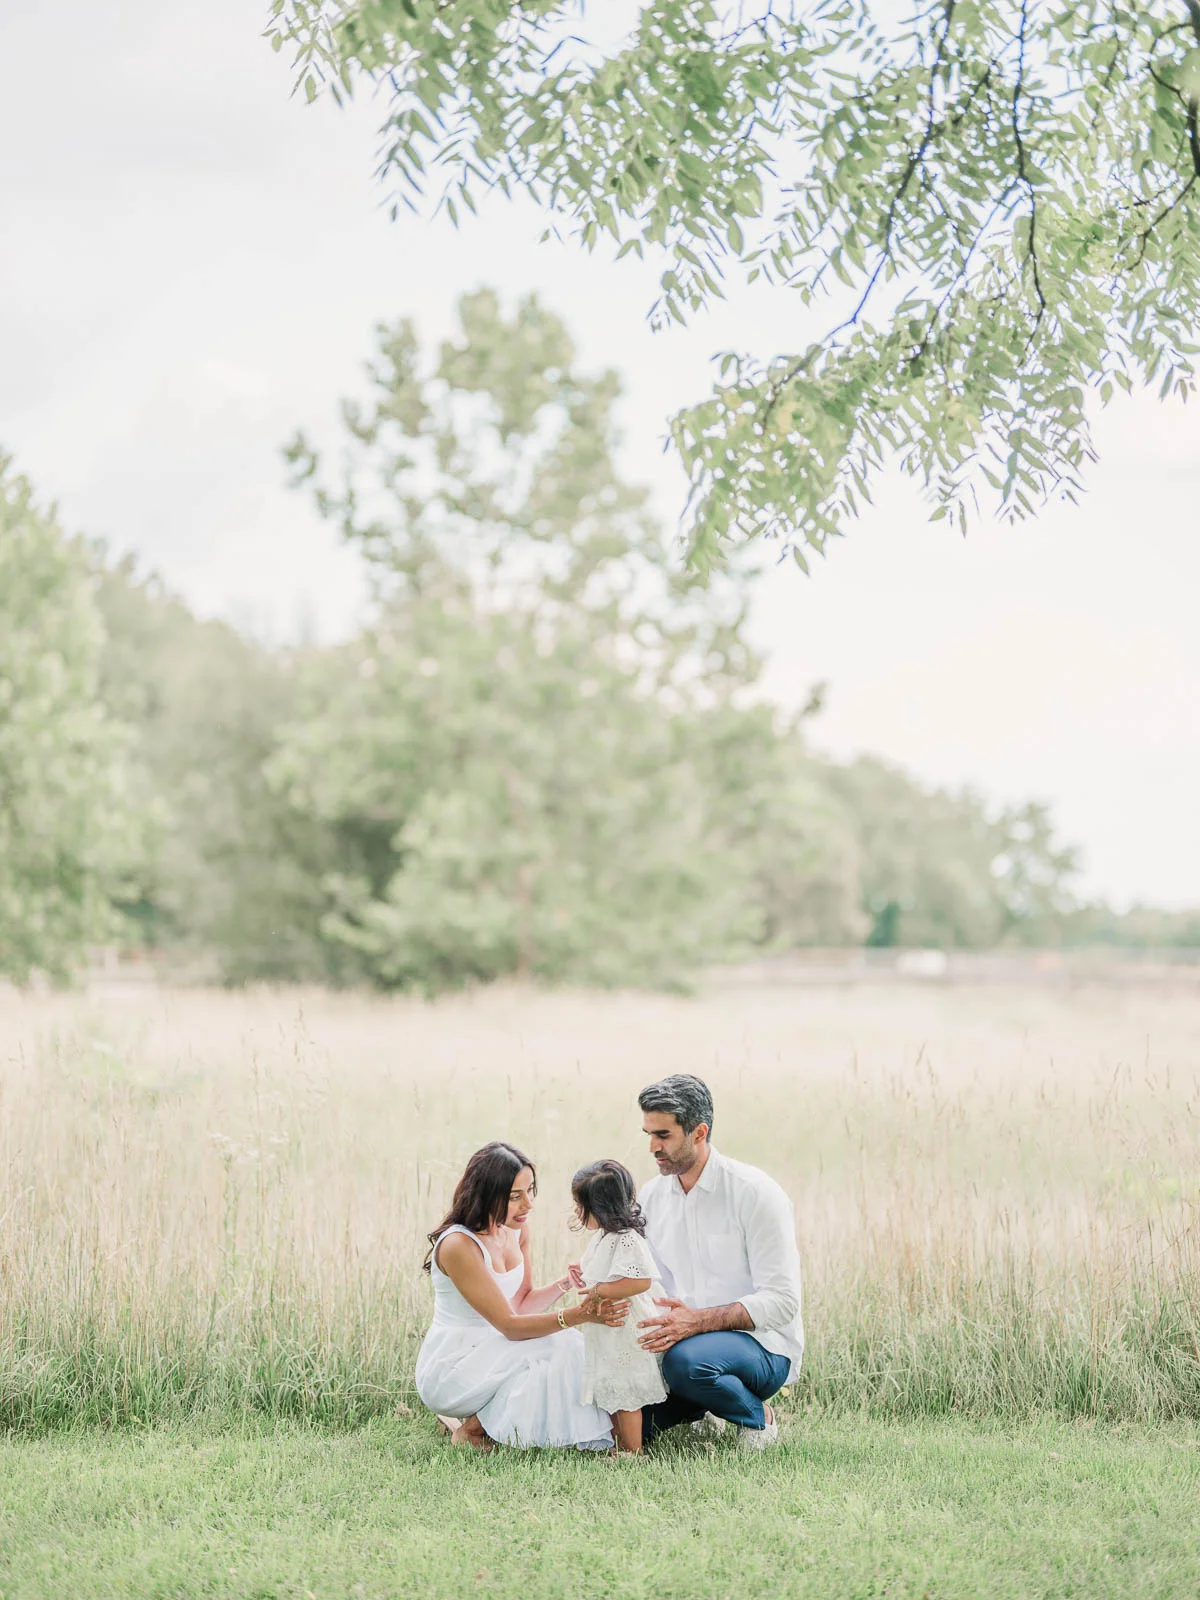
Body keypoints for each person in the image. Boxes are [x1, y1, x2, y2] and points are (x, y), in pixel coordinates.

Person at [414, 1141, 621, 1452]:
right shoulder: (459, 1245)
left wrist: (565, 1283)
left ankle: (494, 1428)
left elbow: (521, 1303)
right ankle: (471, 1431)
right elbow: (510, 1325)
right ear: (486, 1194)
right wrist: (578, 1315)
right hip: (454, 1364)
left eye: (530, 1191)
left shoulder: (515, 1229)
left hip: (499, 1350)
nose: (528, 1205)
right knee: (559, 1344)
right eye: (515, 1197)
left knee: (567, 1347)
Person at [634, 1075, 803, 1451]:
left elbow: (782, 1301)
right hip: (678, 1339)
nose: (652, 1147)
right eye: (648, 1134)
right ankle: (702, 1408)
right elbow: (650, 1282)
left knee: (687, 1365)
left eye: (663, 1135)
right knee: (624, 1423)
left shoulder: (756, 1194)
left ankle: (759, 1420)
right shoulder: (651, 1196)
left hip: (760, 1345)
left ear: (699, 1132)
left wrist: (697, 1322)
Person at [568, 1159, 668, 1454]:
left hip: (626, 1331)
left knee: (626, 1394)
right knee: (612, 1388)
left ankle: (632, 1451)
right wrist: (581, 1267)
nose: (576, 1211)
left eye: (580, 1204)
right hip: (609, 1331)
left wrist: (600, 1290)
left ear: (601, 1207)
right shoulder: (604, 1237)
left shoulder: (627, 1239)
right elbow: (600, 1265)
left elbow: (640, 1281)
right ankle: (618, 1443)